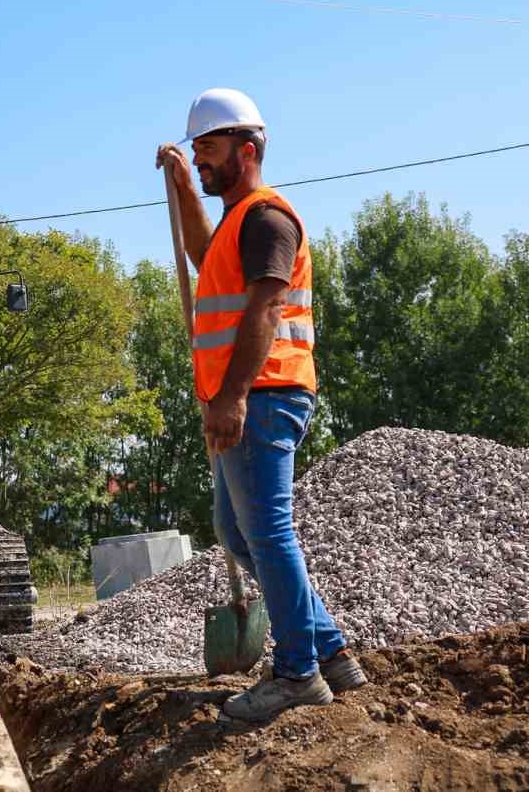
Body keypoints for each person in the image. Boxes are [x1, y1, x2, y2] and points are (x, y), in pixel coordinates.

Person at [157, 87, 363, 723]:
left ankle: (297, 672)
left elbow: (266, 308)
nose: (202, 159)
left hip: (262, 393)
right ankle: (329, 651)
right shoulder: (234, 224)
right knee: (237, 531)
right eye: (197, 150)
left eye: (210, 150)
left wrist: (233, 394)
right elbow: (201, 256)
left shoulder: (267, 219)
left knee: (268, 533)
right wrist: (184, 186)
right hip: (251, 395)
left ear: (247, 150)